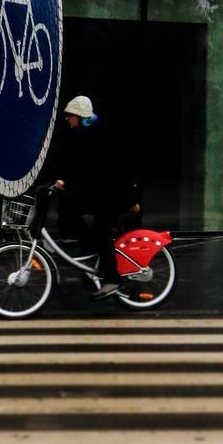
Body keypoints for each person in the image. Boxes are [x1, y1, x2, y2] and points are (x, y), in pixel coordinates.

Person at [51, 95, 134, 298]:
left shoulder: (97, 135)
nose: (67, 119)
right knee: (74, 210)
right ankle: (92, 257)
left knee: (101, 230)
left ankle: (113, 280)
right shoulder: (85, 133)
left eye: (70, 116)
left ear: (79, 116)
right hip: (104, 192)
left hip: (114, 195)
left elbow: (94, 170)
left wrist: (69, 184)